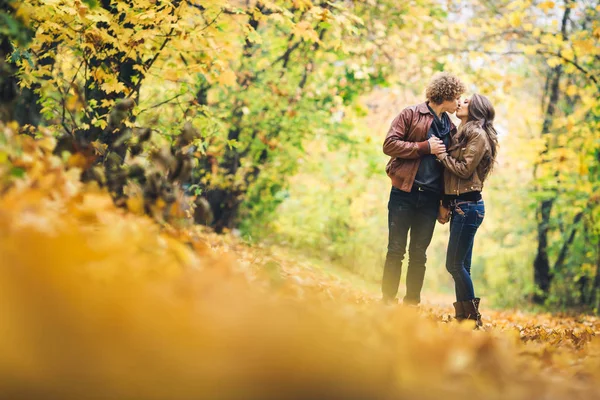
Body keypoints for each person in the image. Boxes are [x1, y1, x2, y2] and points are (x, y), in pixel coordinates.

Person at [381, 73, 465, 305]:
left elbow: (450, 170)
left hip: (430, 199)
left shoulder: (451, 129)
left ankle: (411, 304)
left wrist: (444, 202)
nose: (459, 101)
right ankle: (387, 300)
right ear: (446, 95)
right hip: (403, 193)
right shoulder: (410, 114)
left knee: (419, 255)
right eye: (457, 97)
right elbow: (389, 145)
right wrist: (424, 147)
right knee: (395, 250)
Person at [434, 94, 499, 327]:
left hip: (469, 207)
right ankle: (465, 320)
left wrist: (440, 155)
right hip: (461, 206)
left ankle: (472, 319)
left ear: (477, 109)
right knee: (462, 266)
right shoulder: (461, 133)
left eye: (467, 101)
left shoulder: (478, 135)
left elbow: (463, 170)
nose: (460, 102)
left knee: (453, 264)